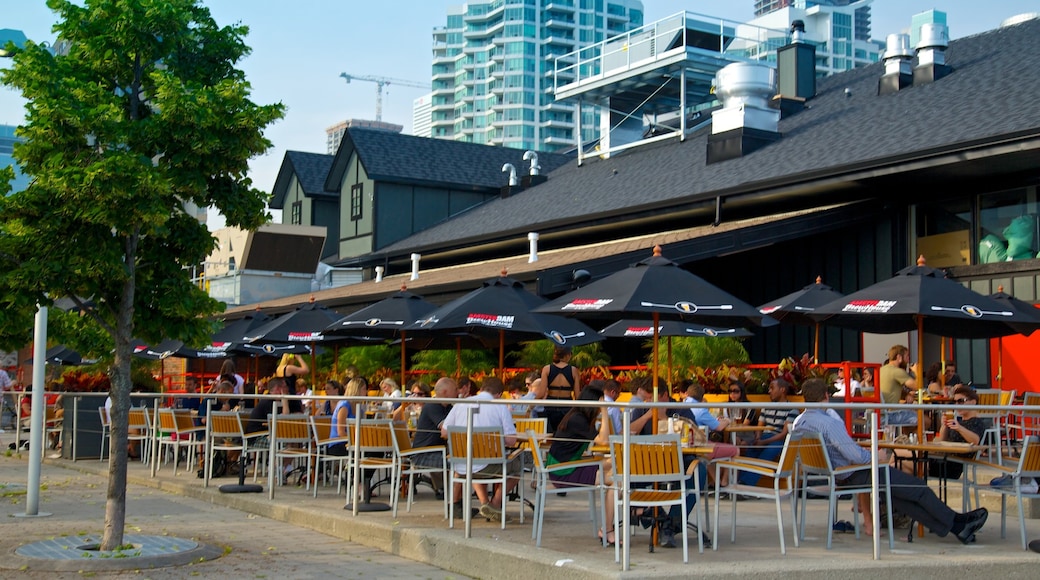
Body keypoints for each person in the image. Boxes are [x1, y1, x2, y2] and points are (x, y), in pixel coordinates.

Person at [793, 378, 989, 544]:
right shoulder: (829, 422)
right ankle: (957, 523)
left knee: (901, 497)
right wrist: (876, 457)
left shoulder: (800, 422)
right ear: (826, 396)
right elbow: (855, 456)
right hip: (854, 473)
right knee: (918, 488)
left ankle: (955, 525)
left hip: (834, 473)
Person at [440, 376, 520, 522]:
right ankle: (494, 504)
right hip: (486, 464)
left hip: (461, 465)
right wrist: (494, 439)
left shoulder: (460, 404)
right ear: (499, 395)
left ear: (481, 389)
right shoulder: (500, 406)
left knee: (475, 458)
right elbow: (511, 440)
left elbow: (444, 432)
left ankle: (485, 504)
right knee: (517, 467)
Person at [545, 387, 614, 543]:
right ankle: (608, 529)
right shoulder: (578, 420)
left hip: (563, 467)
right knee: (615, 480)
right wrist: (604, 412)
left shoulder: (576, 416)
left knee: (615, 465)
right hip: (564, 472)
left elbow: (603, 442)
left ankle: (616, 522)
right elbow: (604, 441)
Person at [739, 378, 799, 485]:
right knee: (750, 450)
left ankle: (745, 484)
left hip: (779, 440)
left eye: (772, 388)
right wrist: (758, 438)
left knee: (769, 452)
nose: (769, 391)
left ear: (782, 390)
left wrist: (763, 442)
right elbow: (760, 427)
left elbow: (784, 434)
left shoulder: (792, 409)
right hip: (764, 436)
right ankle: (739, 483)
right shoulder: (766, 407)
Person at [411, 377, 460, 502]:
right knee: (458, 464)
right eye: (455, 390)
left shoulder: (448, 407)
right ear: (445, 392)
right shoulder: (432, 406)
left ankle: (450, 493)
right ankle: (453, 497)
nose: (458, 392)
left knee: (460, 460)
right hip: (423, 454)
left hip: (437, 451)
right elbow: (446, 428)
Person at [879, 345, 928, 430]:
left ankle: (905, 440)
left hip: (879, 413)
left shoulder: (881, 370)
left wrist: (906, 394)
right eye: (907, 356)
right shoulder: (897, 371)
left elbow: (890, 388)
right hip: (890, 414)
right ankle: (912, 442)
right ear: (899, 357)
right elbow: (918, 386)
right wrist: (917, 372)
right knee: (925, 420)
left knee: (909, 414)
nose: (908, 359)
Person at [541, 345, 581, 432]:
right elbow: (578, 396)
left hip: (550, 406)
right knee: (564, 436)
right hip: (566, 407)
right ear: (568, 355)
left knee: (550, 437)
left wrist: (530, 406)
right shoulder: (573, 370)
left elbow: (541, 393)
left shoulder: (547, 369)